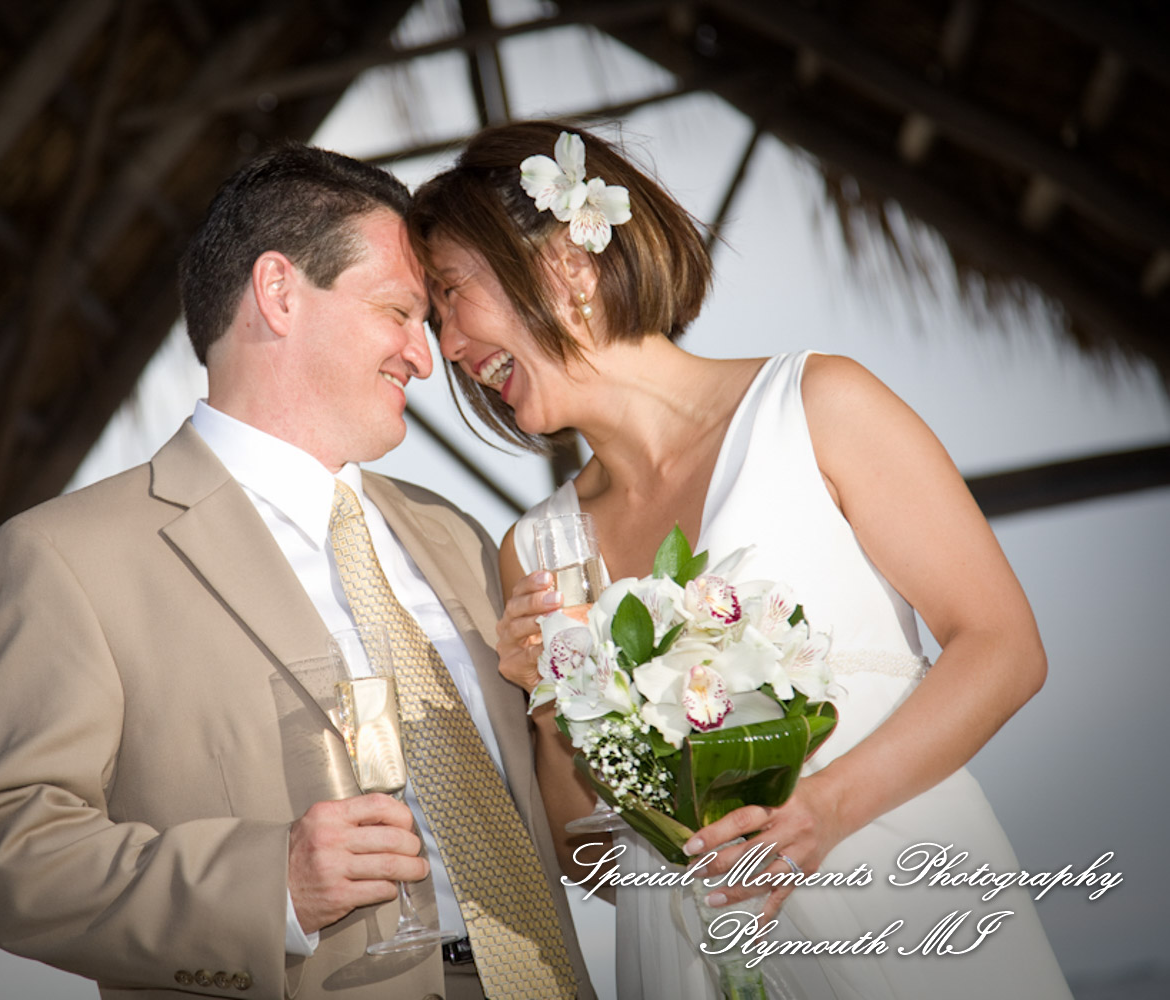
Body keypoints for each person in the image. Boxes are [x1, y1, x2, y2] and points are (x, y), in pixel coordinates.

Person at [407, 120, 1073, 1000]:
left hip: (903, 910)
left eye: (451, 294)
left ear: (568, 261)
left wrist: (825, 810)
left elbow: (1004, 648)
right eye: (432, 317)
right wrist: (547, 704)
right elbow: (591, 861)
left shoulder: (819, 406)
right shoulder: (537, 548)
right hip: (689, 959)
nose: (447, 346)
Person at [0, 143, 596, 1000]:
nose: (423, 358)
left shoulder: (459, 536)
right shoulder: (67, 558)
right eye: (398, 311)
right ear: (279, 293)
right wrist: (269, 883)